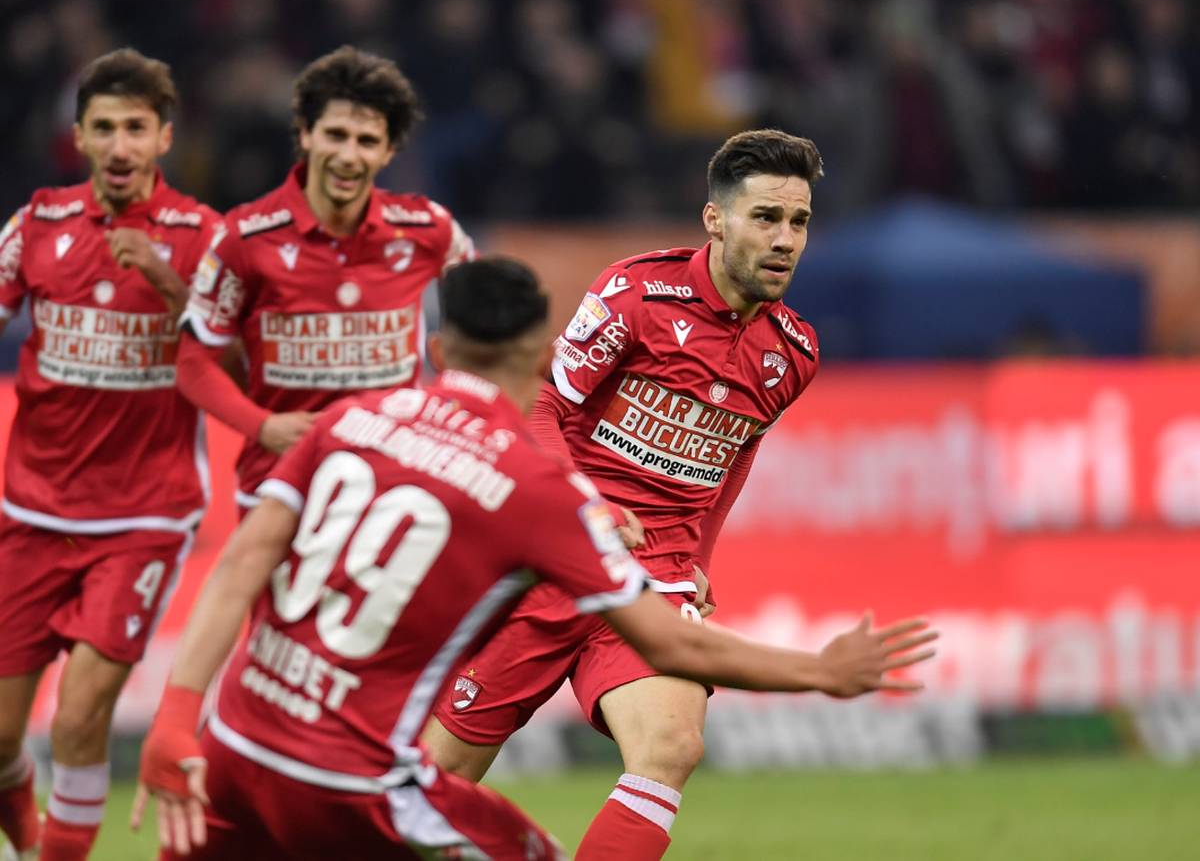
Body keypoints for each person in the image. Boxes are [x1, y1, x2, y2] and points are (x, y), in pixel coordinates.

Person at [132, 257, 936, 860]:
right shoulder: (534, 490)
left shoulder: (350, 420)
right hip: (356, 780)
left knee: (666, 745)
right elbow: (672, 642)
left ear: (438, 347)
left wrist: (173, 723)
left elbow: (238, 567)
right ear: (543, 356)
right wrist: (820, 671)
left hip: (234, 742)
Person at [422, 129, 835, 860]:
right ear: (715, 219)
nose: (784, 240)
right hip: (548, 560)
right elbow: (542, 404)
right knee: (431, 785)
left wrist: (699, 559)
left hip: (654, 577)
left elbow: (736, 453)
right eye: (766, 217)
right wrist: (583, 505)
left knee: (672, 746)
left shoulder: (792, 353)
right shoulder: (638, 294)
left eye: (798, 222)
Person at [0, 48, 221, 861]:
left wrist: (172, 287)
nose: (120, 145)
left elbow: (241, 360)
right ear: (80, 136)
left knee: (80, 717)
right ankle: (30, 834)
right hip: (31, 512)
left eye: (136, 127)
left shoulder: (204, 238)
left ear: (164, 138)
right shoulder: (36, 225)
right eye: (104, 128)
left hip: (143, 517)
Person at [177, 45, 474, 514]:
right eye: (335, 135)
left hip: (388, 493)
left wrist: (447, 411)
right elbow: (192, 363)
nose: (348, 155)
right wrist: (262, 427)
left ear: (389, 151)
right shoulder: (244, 238)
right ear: (305, 134)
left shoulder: (429, 230)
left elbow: (485, 330)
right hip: (277, 488)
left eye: (366, 141)